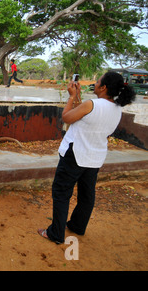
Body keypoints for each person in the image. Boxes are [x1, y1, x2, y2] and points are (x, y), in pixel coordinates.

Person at [38, 71, 136, 244]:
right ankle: (77, 226)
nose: (95, 83)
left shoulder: (92, 104)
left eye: (98, 81)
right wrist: (77, 96)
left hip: (75, 154)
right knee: (87, 194)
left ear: (104, 87)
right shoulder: (116, 108)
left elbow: (67, 118)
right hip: (94, 158)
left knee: (61, 193)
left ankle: (55, 233)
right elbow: (84, 115)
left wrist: (70, 98)